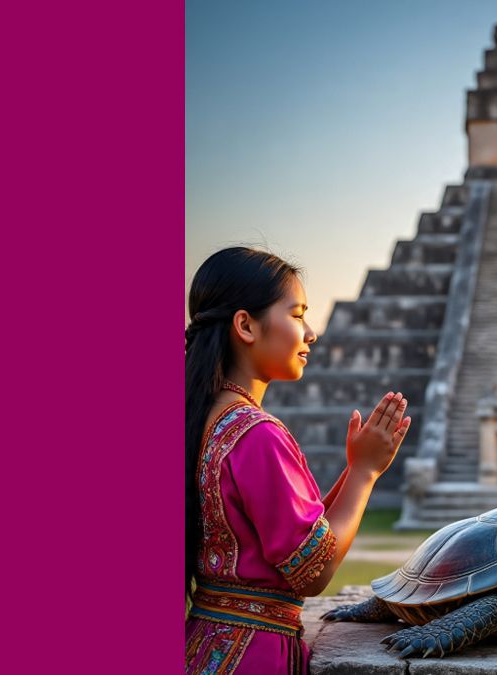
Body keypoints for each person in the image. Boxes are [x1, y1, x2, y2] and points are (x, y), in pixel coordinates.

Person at [184, 247, 412, 673]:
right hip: (255, 655)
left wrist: (355, 468)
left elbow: (290, 536)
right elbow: (313, 569)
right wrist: (364, 474)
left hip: (204, 644)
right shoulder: (256, 434)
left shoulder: (202, 421)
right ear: (246, 325)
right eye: (297, 314)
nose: (311, 333)